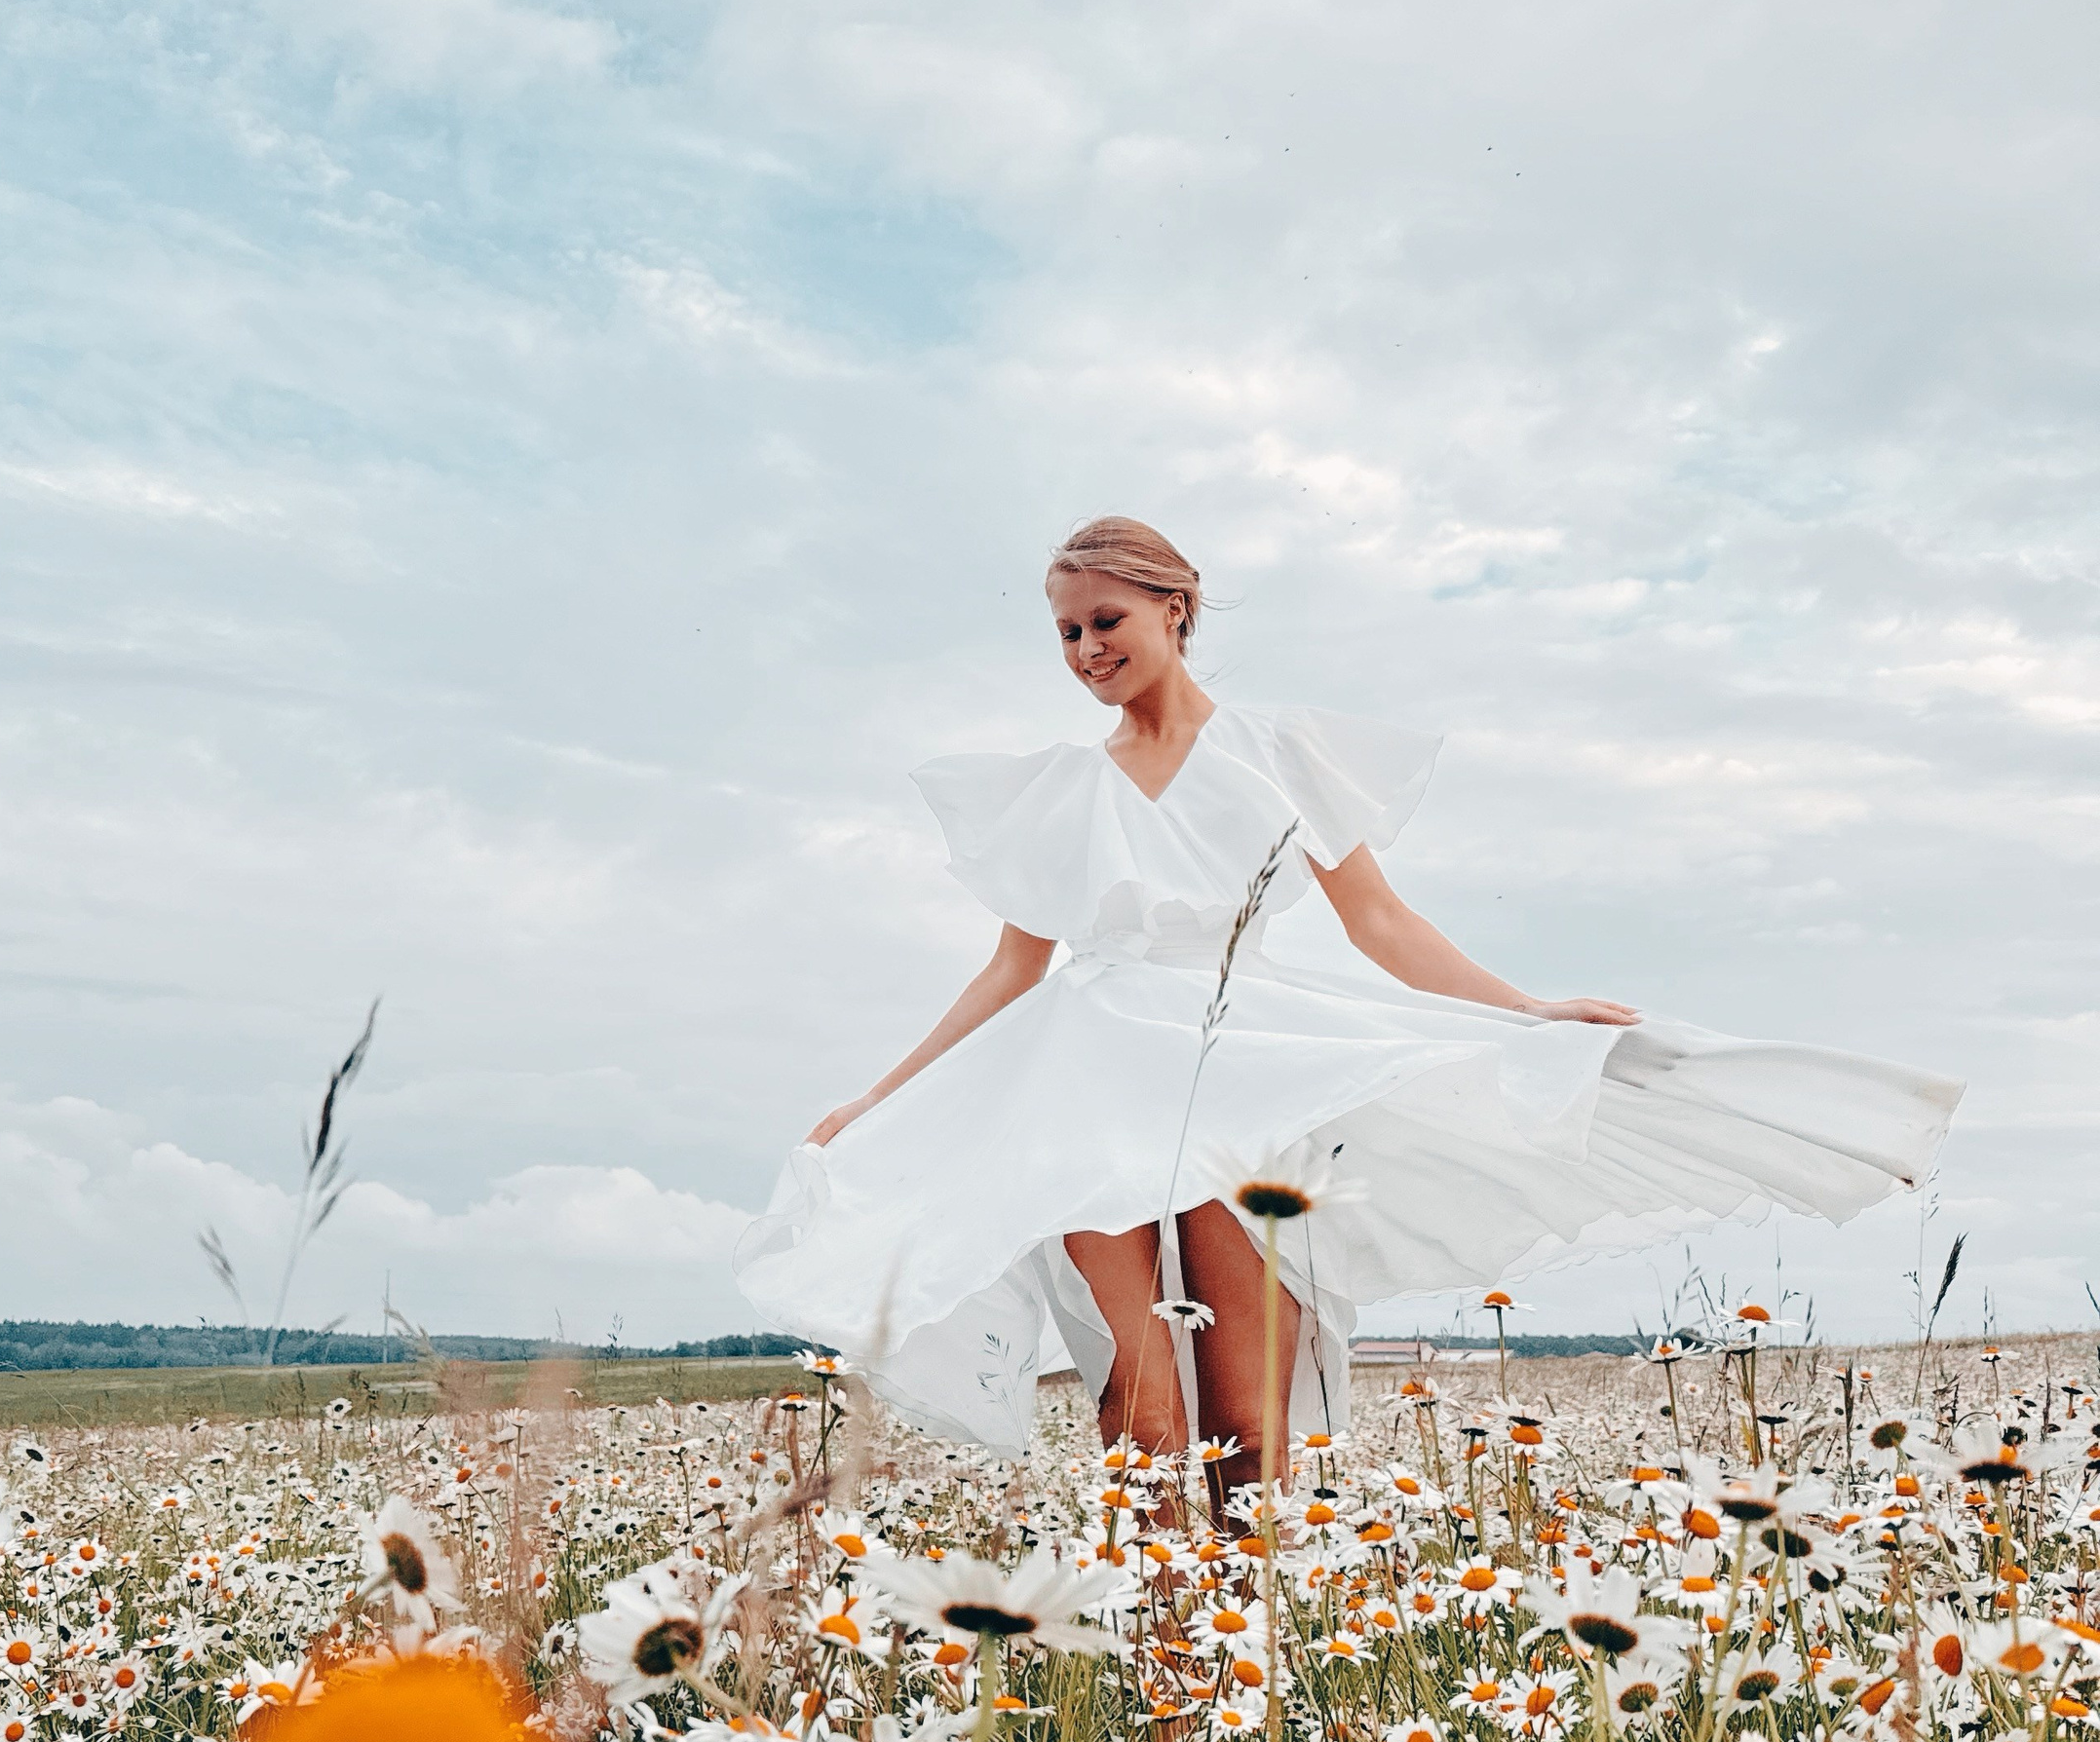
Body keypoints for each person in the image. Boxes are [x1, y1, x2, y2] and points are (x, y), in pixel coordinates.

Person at [736, 515, 1963, 1501]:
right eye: (1064, 633)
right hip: (1083, 1083)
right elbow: (1010, 971)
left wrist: (1526, 1009)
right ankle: (1164, 1655)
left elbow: (1380, 922)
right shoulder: (1058, 790)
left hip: (1243, 1073)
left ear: (1175, 607)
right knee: (1142, 1390)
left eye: (1104, 620)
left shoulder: (1280, 752)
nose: (1084, 651)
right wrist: (879, 1100)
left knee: (1247, 1407)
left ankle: (1238, 1655)